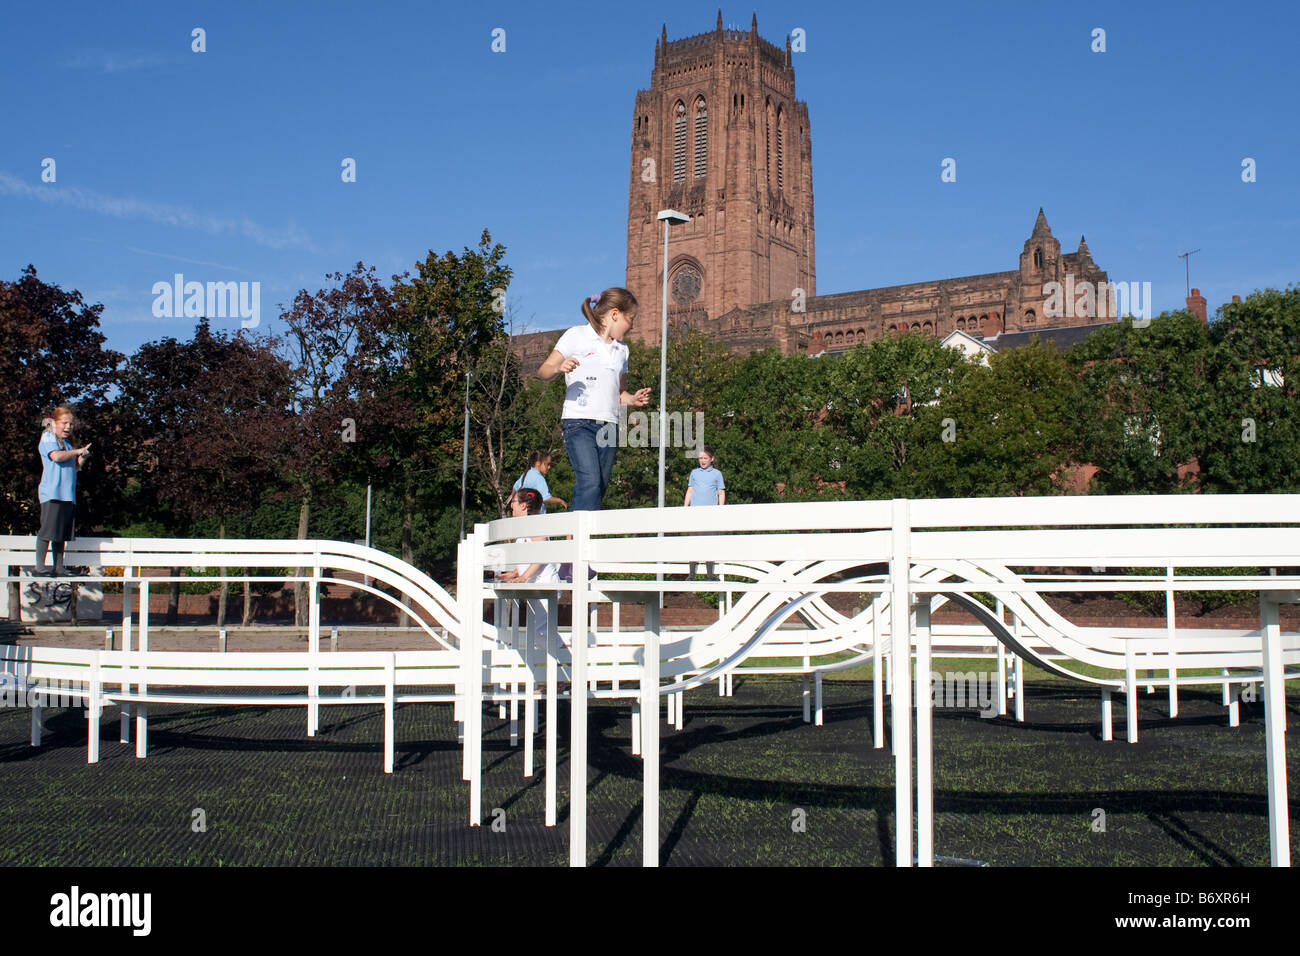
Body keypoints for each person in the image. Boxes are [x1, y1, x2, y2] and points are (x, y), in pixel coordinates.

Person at [536, 288, 650, 512]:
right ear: (615, 315)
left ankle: (575, 533)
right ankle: (581, 538)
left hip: (609, 425)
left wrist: (632, 399)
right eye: (631, 320)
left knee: (600, 487)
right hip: (579, 423)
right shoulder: (576, 335)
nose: (632, 326)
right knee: (590, 481)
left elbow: (619, 393)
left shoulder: (622, 351)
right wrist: (559, 367)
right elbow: (543, 370)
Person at [495, 488, 559, 646]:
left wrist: (524, 577)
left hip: (545, 585)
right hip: (535, 585)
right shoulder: (525, 528)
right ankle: (562, 664)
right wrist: (515, 573)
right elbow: (529, 558)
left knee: (541, 632)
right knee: (539, 631)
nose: (511, 506)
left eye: (514, 502)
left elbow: (541, 555)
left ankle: (569, 663)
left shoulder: (534, 525)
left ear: (523, 506)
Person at [35, 407, 90, 577]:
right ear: (54, 422)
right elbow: (56, 457)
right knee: (48, 530)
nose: (68, 427)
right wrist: (76, 451)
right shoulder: (48, 437)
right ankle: (40, 567)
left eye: (71, 424)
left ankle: (59, 567)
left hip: (67, 494)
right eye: (64, 423)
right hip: (52, 492)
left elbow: (74, 468)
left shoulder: (66, 444)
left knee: (61, 533)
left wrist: (82, 457)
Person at [684, 445, 726, 579]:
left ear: (711, 459)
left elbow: (721, 492)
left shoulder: (717, 474)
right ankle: (691, 574)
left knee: (709, 543)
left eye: (705, 458)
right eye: (700, 458)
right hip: (695, 513)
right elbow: (690, 490)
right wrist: (685, 508)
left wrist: (720, 509)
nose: (702, 460)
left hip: (710, 514)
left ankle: (710, 574)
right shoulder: (694, 473)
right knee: (693, 543)